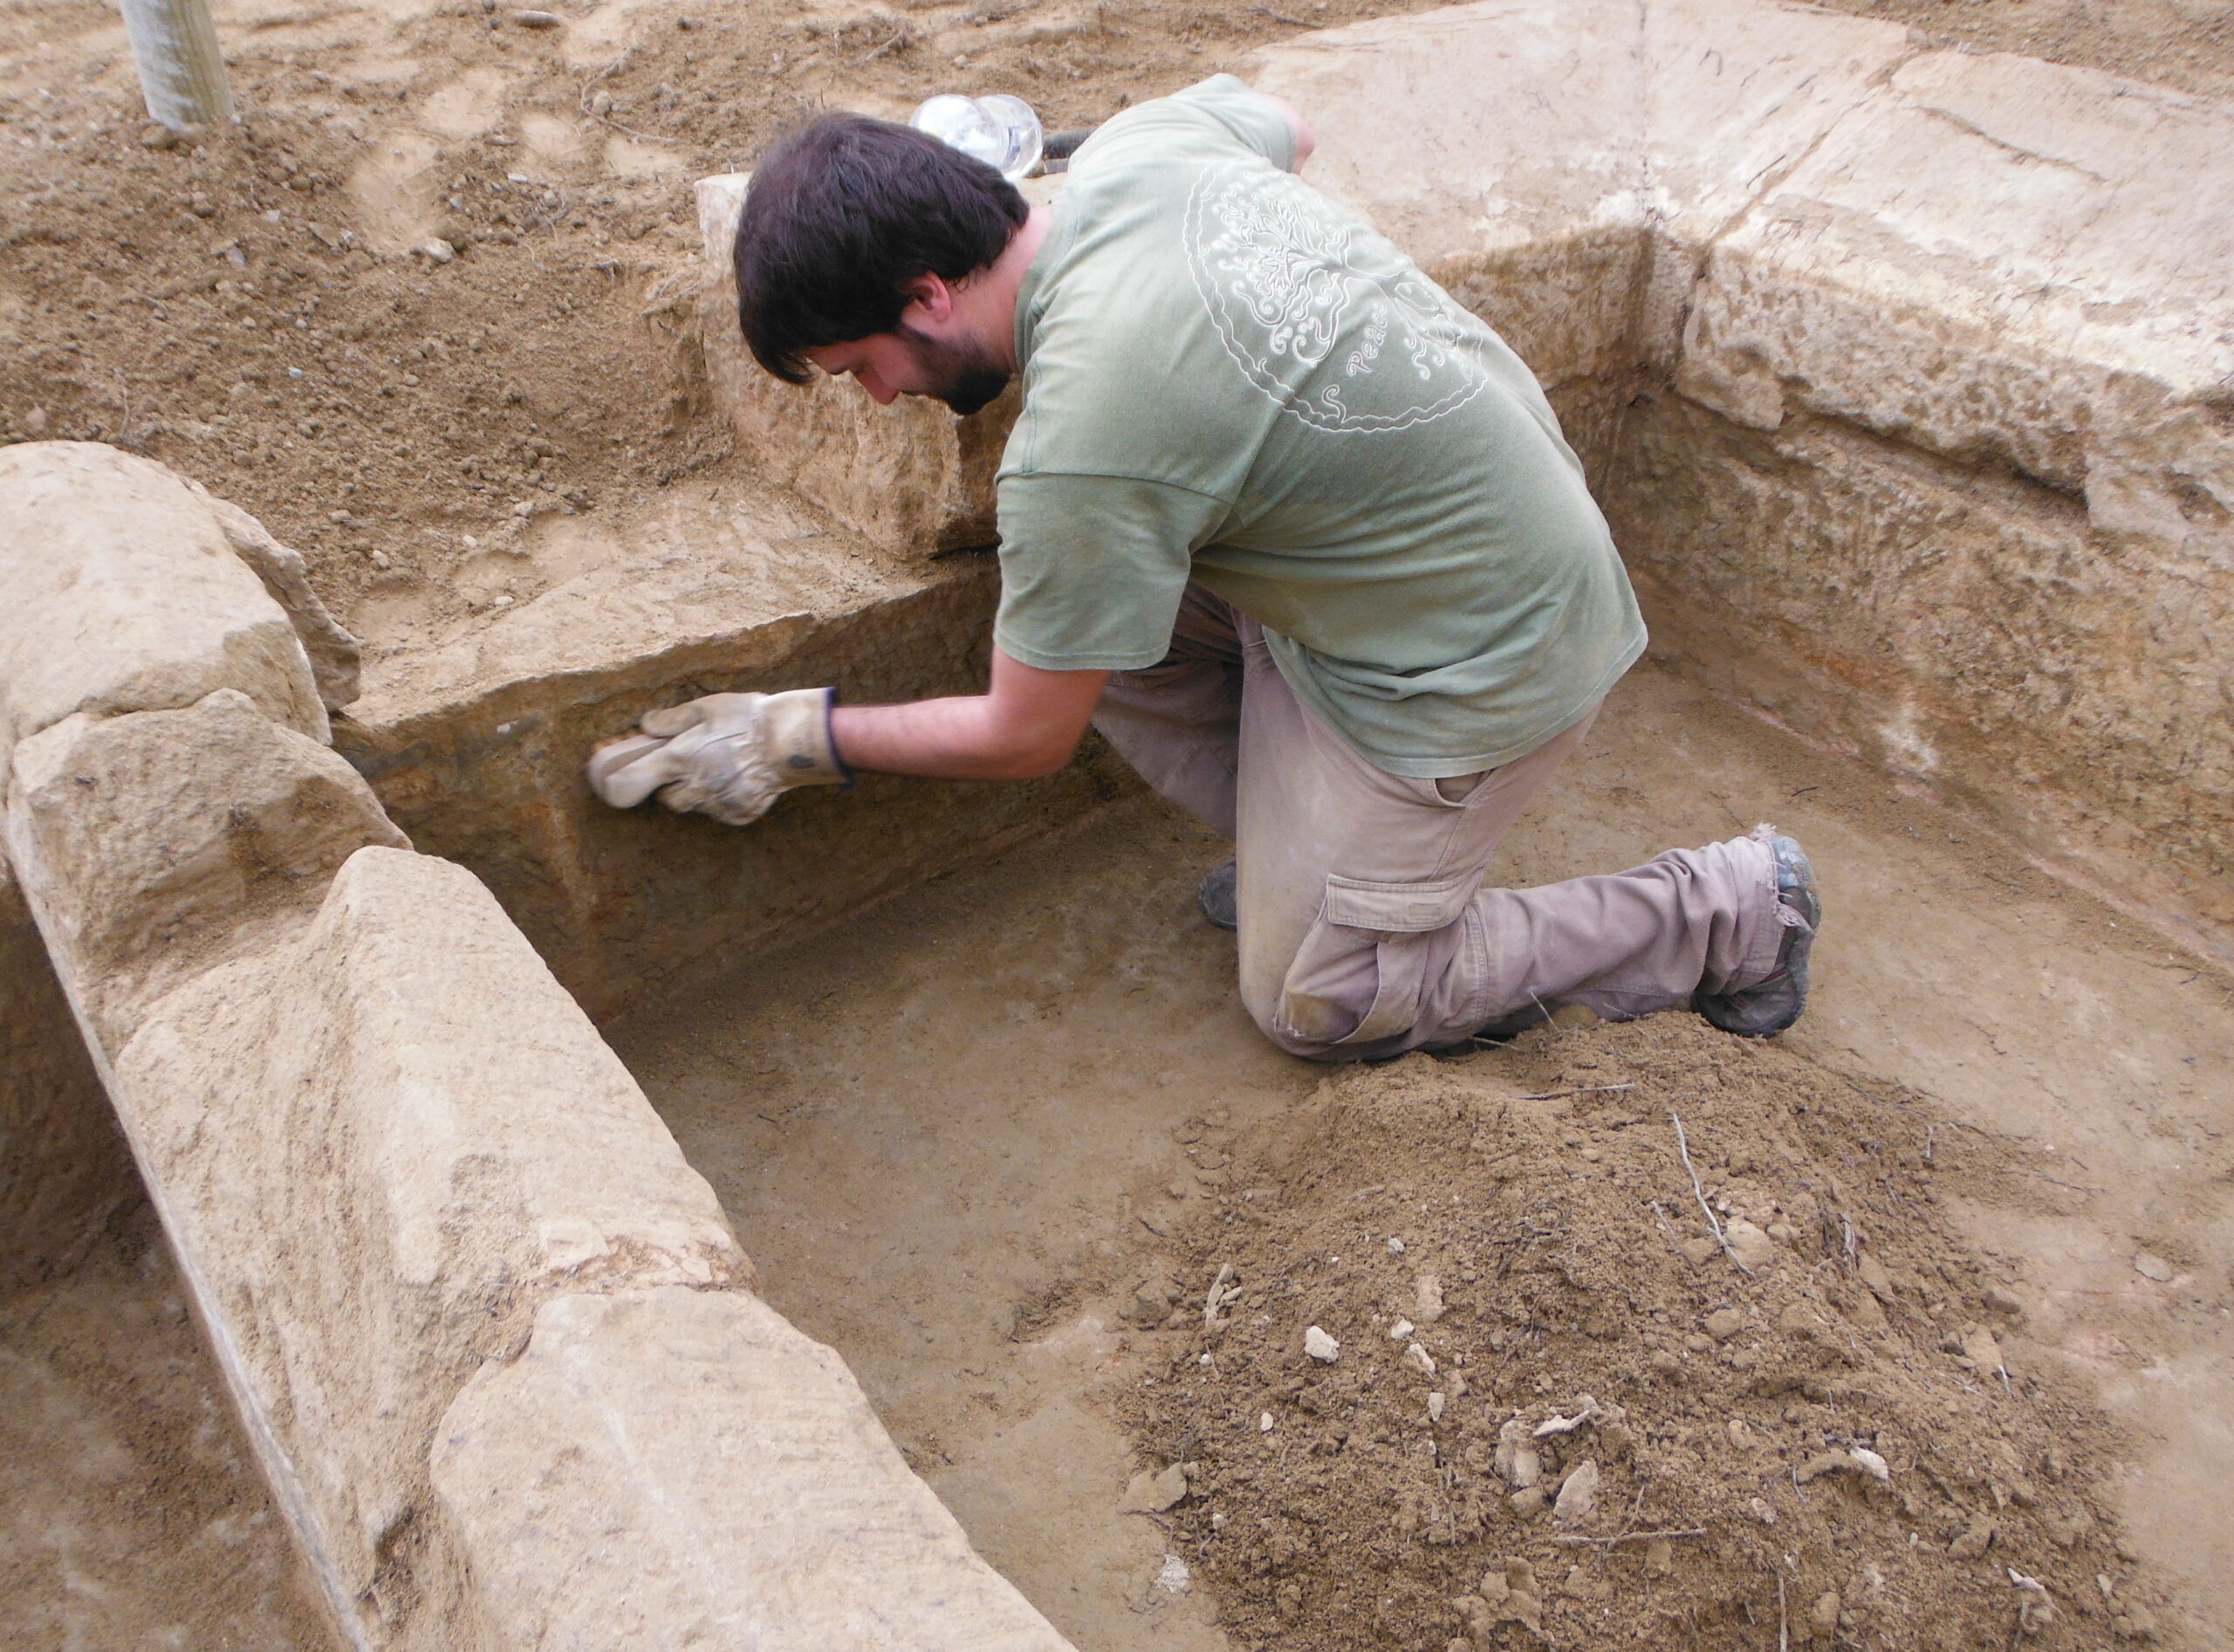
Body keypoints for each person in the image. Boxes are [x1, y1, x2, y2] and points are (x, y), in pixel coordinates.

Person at [588, 76, 1820, 1060]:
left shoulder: (1084, 443)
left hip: (1482, 670)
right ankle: (1322, 861)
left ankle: (1729, 910)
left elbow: (1025, 739)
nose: (881, 396)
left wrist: (796, 738)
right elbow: (1288, 121)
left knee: (1318, 1001)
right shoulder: (1141, 153)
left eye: (863, 362)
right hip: (1435, 575)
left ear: (924, 291)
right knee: (1079, 624)